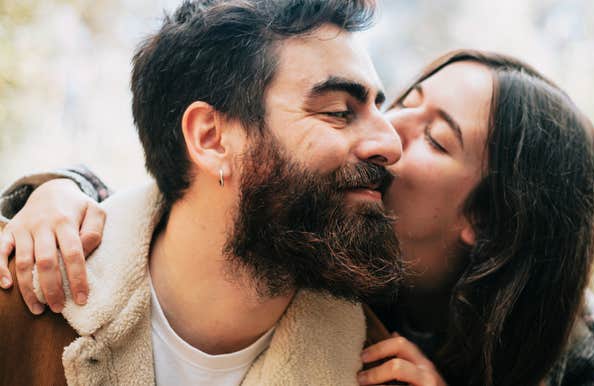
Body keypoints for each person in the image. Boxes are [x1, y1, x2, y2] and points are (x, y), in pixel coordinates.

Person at [0, 51, 594, 386]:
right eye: (402, 102)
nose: (386, 135)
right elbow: (202, 206)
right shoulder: (327, 233)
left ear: (489, 223)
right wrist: (54, 191)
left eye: (435, 139)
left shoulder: (571, 351)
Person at [0, 0, 411, 385]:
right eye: (339, 112)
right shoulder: (15, 306)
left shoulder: (379, 369)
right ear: (211, 138)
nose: (391, 144)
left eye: (380, 108)